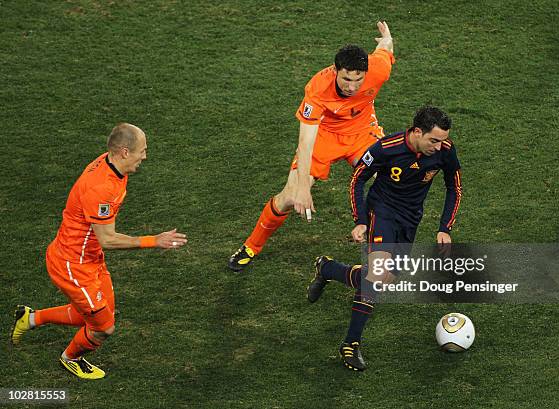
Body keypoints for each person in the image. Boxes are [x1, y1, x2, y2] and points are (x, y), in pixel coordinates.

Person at [10, 123, 188, 380]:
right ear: (125, 152)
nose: (145, 156)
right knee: (104, 328)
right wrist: (154, 241)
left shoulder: (113, 167)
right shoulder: (101, 188)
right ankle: (70, 358)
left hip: (90, 258)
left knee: (100, 313)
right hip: (72, 265)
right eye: (143, 150)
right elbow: (107, 239)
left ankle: (31, 318)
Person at [228, 21, 395, 271]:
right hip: (322, 136)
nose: (352, 87)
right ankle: (251, 246)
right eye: (346, 79)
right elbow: (305, 143)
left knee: (392, 176)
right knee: (288, 197)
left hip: (361, 132)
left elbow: (386, 49)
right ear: (335, 71)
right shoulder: (318, 88)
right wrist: (304, 186)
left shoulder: (378, 69)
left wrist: (386, 38)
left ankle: (380, 245)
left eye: (358, 80)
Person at [307, 106, 462, 371]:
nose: (438, 146)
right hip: (382, 212)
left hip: (410, 220)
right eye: (433, 140)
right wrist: (360, 220)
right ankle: (350, 344)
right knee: (378, 275)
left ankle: (328, 268)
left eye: (442, 140)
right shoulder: (386, 148)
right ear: (416, 132)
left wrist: (444, 227)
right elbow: (358, 180)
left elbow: (454, 187)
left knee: (383, 280)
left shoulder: (444, 152)